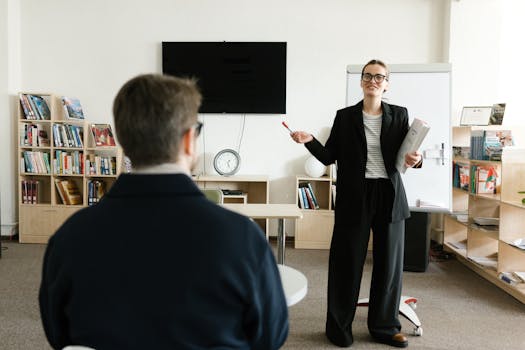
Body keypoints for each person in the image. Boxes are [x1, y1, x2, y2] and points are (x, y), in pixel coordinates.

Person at [39, 74, 289, 350]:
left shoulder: (70, 237)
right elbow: (270, 338)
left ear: (123, 139)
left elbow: (58, 335)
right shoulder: (243, 237)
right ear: (188, 141)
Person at [290, 59, 422, 348]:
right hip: (354, 195)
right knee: (346, 262)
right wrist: (309, 140)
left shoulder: (399, 115)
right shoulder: (345, 116)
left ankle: (385, 327)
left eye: (379, 77)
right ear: (361, 82)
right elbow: (328, 156)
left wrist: (417, 159)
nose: (373, 81)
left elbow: (409, 155)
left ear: (387, 84)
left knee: (389, 266)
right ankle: (338, 327)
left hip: (389, 194)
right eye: (368, 76)